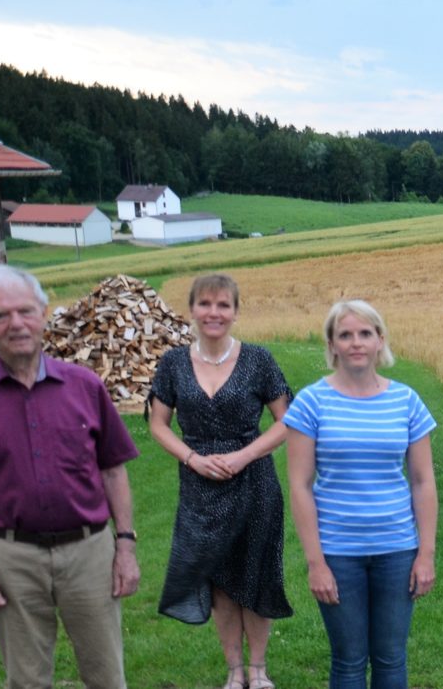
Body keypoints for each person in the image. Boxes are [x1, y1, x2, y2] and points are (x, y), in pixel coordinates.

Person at [0, 264, 141, 688]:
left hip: (90, 554)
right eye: (0, 315)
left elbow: (113, 470)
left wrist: (124, 546)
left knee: (106, 676)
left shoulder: (84, 386)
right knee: (27, 680)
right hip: (10, 559)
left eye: (26, 311)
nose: (16, 324)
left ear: (44, 312)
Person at [148, 274, 294, 689]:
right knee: (218, 583)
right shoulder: (173, 362)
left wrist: (244, 455)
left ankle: (259, 669)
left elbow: (289, 421)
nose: (214, 313)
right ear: (192, 309)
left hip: (255, 483)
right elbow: (158, 425)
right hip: (199, 489)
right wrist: (192, 458)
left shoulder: (259, 360)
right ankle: (234, 670)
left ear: (235, 312)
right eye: (206, 304)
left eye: (223, 305)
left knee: (257, 574)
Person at [285, 300, 439, 689]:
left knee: (390, 660)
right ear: (332, 344)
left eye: (365, 334)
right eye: (346, 335)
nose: (356, 343)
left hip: (397, 549)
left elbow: (423, 481)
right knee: (349, 662)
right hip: (338, 553)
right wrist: (315, 562)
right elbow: (301, 486)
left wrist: (425, 554)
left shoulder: (406, 401)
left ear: (380, 340)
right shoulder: (311, 402)